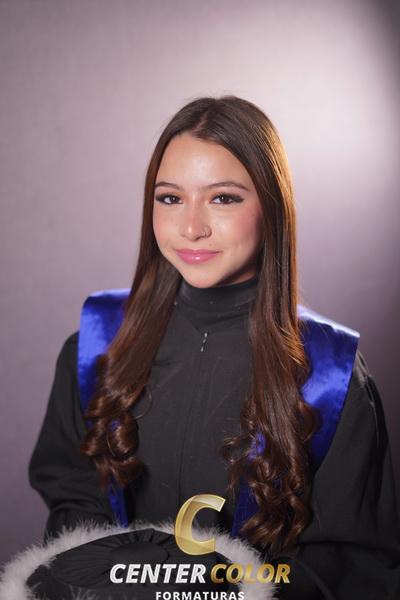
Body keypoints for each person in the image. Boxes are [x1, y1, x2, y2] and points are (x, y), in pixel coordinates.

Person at [25, 95, 400, 599]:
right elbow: (73, 503)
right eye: (170, 198)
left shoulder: (329, 376)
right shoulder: (97, 347)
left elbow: (352, 565)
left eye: (223, 198)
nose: (191, 227)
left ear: (271, 204)